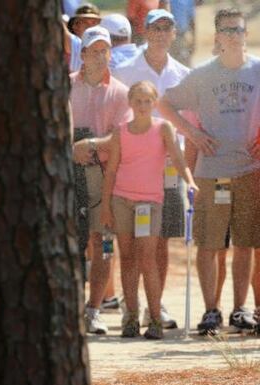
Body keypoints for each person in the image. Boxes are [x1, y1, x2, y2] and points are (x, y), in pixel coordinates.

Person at [158, 8, 260, 335]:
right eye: (227, 30)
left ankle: (241, 309)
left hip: (251, 171)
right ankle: (211, 311)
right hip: (212, 172)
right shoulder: (202, 75)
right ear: (216, 37)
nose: (234, 35)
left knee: (245, 242)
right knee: (210, 243)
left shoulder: (258, 70)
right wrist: (192, 132)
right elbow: (164, 104)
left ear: (246, 34)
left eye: (239, 30)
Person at [75, 81, 197, 340]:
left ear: (155, 103)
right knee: (127, 258)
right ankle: (130, 315)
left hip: (150, 203)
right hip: (121, 200)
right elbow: (112, 171)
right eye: (138, 101)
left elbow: (177, 158)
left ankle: (154, 318)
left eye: (148, 101)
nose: (143, 106)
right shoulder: (121, 132)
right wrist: (106, 206)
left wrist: (191, 181)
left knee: (148, 259)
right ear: (130, 103)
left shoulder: (163, 128)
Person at [113, 8, 189, 330]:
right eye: (154, 28)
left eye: (166, 28)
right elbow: (116, 121)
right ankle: (133, 307)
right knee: (130, 246)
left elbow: (188, 126)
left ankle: (156, 307)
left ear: (174, 34)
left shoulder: (184, 75)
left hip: (170, 172)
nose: (160, 34)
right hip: (131, 174)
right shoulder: (126, 71)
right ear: (144, 32)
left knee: (160, 241)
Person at [70, 26, 132, 335]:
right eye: (94, 50)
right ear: (81, 54)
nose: (100, 55)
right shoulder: (64, 87)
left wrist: (91, 145)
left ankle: (93, 309)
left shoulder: (120, 91)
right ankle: (68, 308)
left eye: (105, 50)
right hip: (67, 174)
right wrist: (71, 150)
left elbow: (121, 137)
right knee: (69, 241)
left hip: (103, 176)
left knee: (102, 242)